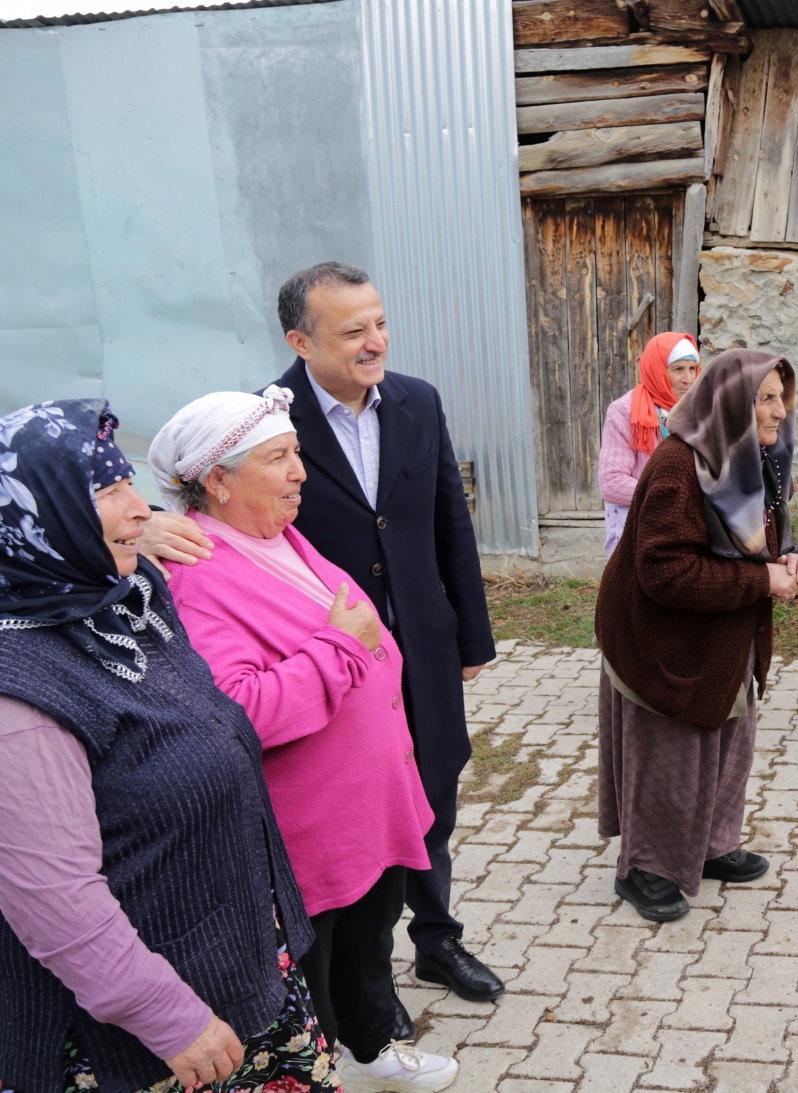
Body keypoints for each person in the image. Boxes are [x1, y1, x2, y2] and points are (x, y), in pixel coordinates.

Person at [139, 262, 502, 1022]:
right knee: (359, 819)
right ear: (301, 340)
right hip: (327, 660)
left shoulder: (417, 401)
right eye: (352, 330)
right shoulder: (257, 428)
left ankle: (436, 936)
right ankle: (374, 994)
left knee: (428, 792)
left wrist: (471, 631)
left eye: (379, 322)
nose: (375, 341)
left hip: (416, 645)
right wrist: (147, 527)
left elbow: (448, 522)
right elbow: (218, 521)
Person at [0, 400, 337, 1093]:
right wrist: (169, 1017)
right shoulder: (20, 695)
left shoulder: (122, 598)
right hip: (154, 1037)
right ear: (40, 517)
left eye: (132, 483)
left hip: (235, 968)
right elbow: (58, 901)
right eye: (106, 491)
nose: (139, 510)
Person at [147, 388, 458, 1093]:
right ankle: (321, 1074)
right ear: (218, 480)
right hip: (309, 831)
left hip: (367, 807)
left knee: (371, 940)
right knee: (314, 974)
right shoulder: (199, 574)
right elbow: (237, 710)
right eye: (279, 457)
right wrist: (339, 648)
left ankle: (372, 1048)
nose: (301, 473)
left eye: (296, 454)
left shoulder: (282, 536)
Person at [594, 349, 798, 922]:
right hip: (661, 636)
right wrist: (761, 579)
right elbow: (665, 571)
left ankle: (713, 846)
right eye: (765, 399)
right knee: (672, 754)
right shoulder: (677, 466)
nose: (778, 412)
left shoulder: (756, 459)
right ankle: (646, 869)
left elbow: (765, 538)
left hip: (724, 631)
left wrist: (791, 561)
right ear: (731, 406)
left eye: (781, 398)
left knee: (731, 743)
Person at [600, 331, 702, 555]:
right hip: (635, 527)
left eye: (692, 368)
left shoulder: (698, 412)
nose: (688, 379)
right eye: (678, 369)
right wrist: (673, 496)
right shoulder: (624, 412)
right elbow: (612, 483)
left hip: (684, 525)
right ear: (658, 370)